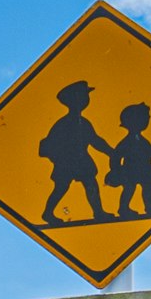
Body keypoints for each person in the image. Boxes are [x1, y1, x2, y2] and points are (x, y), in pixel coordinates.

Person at [37, 80, 107, 223]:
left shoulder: (84, 122)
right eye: (83, 96)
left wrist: (111, 152)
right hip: (66, 162)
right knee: (62, 187)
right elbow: (52, 143)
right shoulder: (63, 123)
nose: (86, 99)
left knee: (90, 183)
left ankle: (99, 212)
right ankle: (48, 212)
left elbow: (95, 140)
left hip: (82, 160)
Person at [105, 101, 151, 218]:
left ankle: (150, 206)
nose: (148, 120)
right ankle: (123, 208)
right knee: (129, 188)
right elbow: (116, 156)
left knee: (148, 186)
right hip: (131, 171)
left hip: (144, 169)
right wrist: (116, 170)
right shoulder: (127, 141)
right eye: (145, 118)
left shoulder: (141, 140)